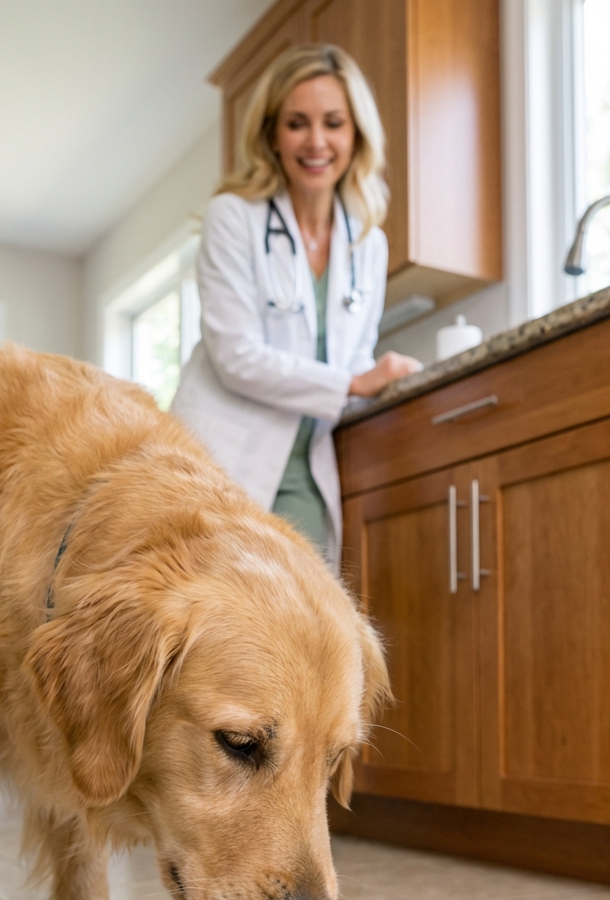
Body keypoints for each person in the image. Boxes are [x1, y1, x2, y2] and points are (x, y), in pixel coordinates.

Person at [171, 44, 421, 570]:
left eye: (333, 123)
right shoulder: (233, 218)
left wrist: (379, 378)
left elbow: (354, 353)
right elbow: (236, 354)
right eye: (296, 123)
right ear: (271, 135)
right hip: (221, 454)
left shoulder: (367, 243)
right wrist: (353, 384)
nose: (316, 141)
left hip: (306, 467)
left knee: (303, 632)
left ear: (356, 136)